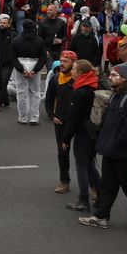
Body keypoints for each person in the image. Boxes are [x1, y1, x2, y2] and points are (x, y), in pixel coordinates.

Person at [78, 61, 127, 231]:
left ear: (124, 79)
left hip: (123, 154)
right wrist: (102, 142)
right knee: (107, 186)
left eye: (114, 75)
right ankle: (102, 216)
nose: (110, 77)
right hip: (110, 151)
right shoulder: (114, 96)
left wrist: (114, 145)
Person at [60, 59, 102, 212]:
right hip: (93, 132)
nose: (71, 71)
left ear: (80, 73)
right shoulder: (94, 85)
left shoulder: (80, 91)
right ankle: (101, 194)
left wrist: (65, 138)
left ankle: (83, 200)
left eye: (74, 69)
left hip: (83, 133)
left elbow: (73, 118)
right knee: (90, 164)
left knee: (81, 166)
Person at [44, 51, 77, 194]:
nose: (62, 64)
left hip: (79, 122)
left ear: (73, 64)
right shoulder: (55, 78)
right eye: (61, 61)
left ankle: (94, 186)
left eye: (65, 61)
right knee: (62, 152)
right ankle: (64, 181)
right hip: (61, 121)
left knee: (84, 155)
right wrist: (52, 115)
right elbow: (49, 98)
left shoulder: (79, 79)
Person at [11, 19, 47, 125]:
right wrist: (35, 70)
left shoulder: (16, 41)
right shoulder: (40, 41)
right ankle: (34, 118)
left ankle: (23, 117)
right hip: (35, 64)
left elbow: (12, 57)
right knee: (35, 92)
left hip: (20, 63)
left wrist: (21, 69)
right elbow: (43, 57)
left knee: (21, 92)